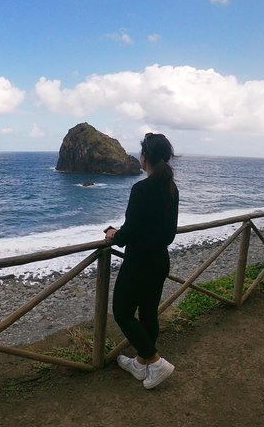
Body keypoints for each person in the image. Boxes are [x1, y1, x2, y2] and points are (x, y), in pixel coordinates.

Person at [104, 132, 178, 389]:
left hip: (139, 264)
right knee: (148, 314)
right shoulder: (171, 188)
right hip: (159, 261)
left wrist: (114, 234)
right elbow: (168, 233)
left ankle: (157, 363)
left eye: (140, 152)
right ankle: (140, 363)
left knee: (122, 313)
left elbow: (129, 233)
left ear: (145, 157)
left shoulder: (141, 189)